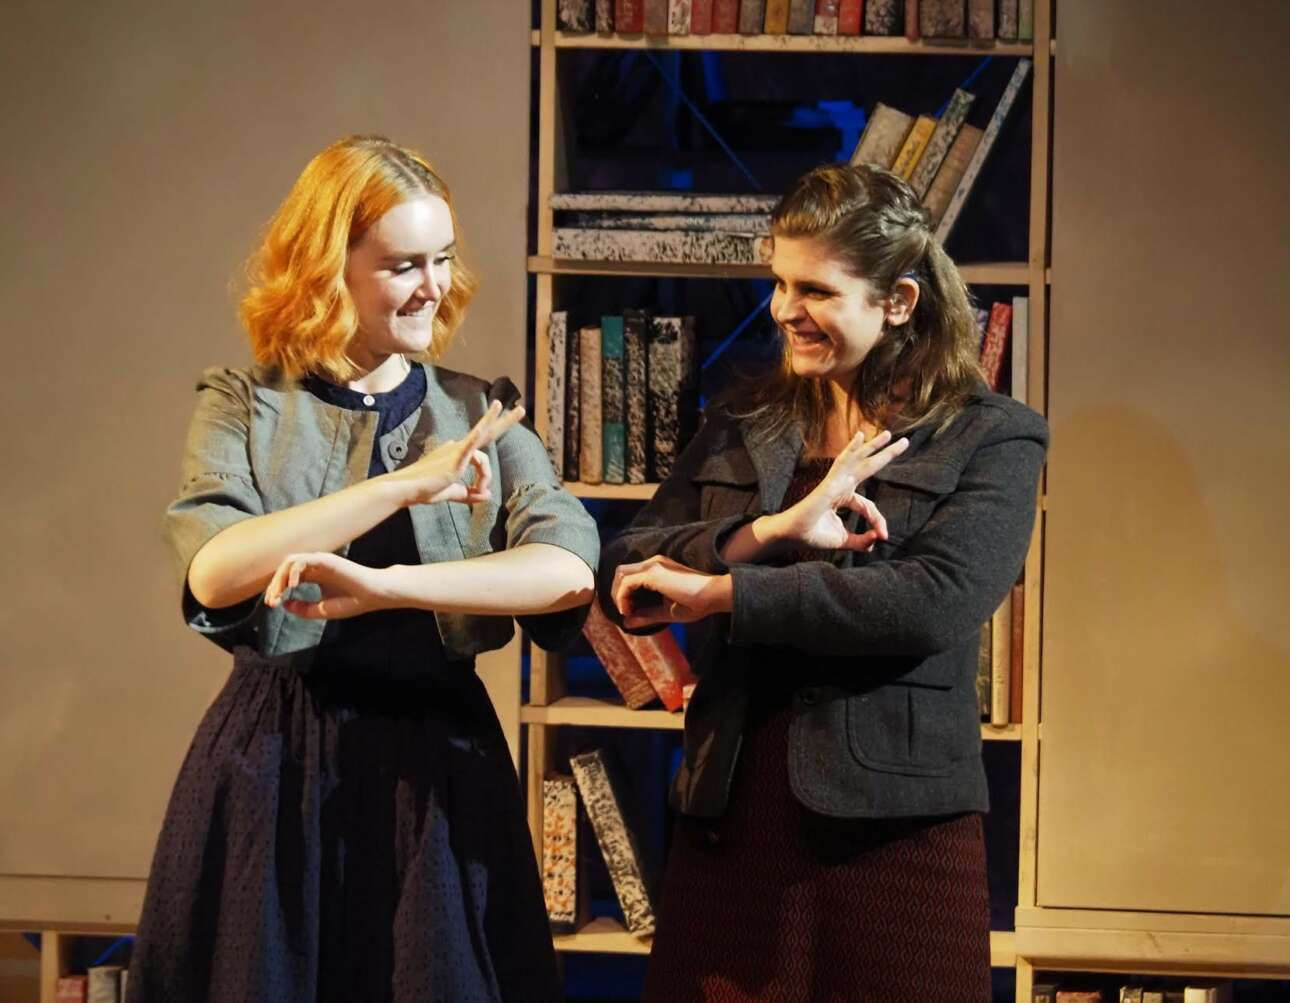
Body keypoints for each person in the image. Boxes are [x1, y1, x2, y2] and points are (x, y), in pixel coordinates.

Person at [127, 135, 597, 1003]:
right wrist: (403, 484)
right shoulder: (242, 402)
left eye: (442, 258)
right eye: (403, 264)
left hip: (441, 764)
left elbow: (567, 568)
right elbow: (214, 570)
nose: (434, 285)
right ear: (326, 270)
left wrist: (387, 589)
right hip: (275, 764)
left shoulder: (480, 411)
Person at [599, 163, 1048, 1002]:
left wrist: (730, 593)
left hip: (896, 830)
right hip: (732, 814)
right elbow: (627, 566)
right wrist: (771, 530)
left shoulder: (991, 437)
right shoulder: (744, 420)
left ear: (899, 301)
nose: (783, 310)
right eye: (779, 283)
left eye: (815, 290)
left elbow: (931, 601)